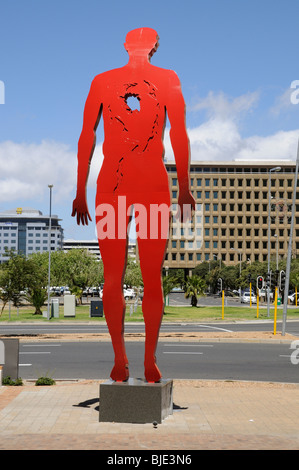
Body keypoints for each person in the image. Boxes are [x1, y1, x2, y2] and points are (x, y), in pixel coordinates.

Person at [72, 27, 195, 382]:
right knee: (150, 278)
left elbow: (87, 136)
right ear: (154, 48)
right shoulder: (168, 79)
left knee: (112, 277)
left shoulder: (102, 81)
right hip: (152, 187)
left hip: (111, 187)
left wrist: (80, 190)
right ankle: (147, 360)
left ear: (126, 46)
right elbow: (179, 133)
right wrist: (184, 187)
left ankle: (119, 359)